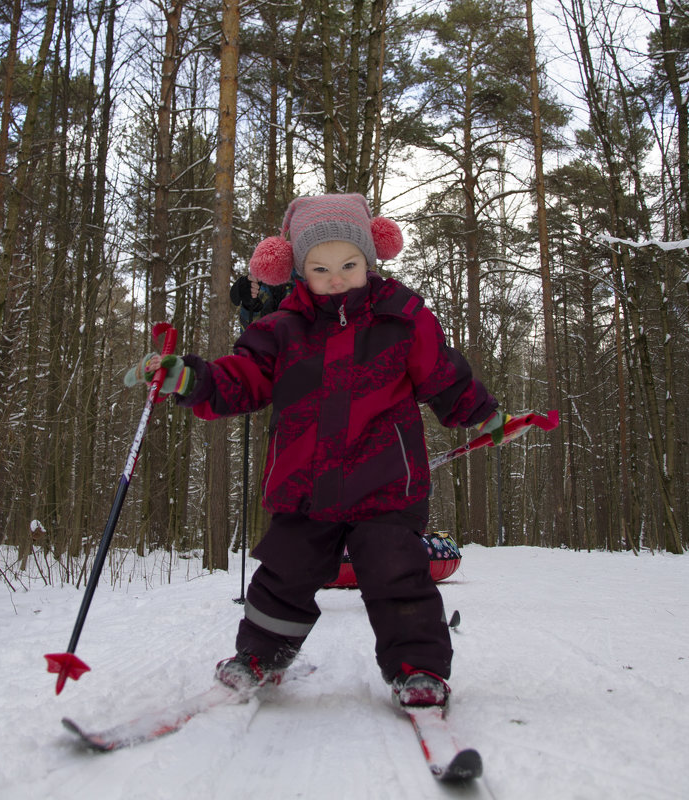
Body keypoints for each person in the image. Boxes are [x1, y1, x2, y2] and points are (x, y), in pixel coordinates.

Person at [125, 193, 509, 708]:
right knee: (285, 572)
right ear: (298, 269)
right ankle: (259, 656)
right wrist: (191, 378)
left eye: (349, 265)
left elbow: (443, 373)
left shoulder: (404, 317)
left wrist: (484, 413)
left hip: (386, 483)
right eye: (320, 267)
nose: (336, 277)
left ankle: (418, 669)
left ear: (370, 259)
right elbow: (242, 378)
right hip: (305, 484)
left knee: (397, 574)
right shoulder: (282, 327)